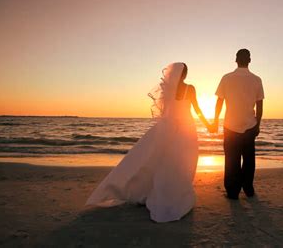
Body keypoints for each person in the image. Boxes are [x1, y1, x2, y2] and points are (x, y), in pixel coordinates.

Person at [86, 62, 211, 223]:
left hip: (168, 127)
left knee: (158, 159)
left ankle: (151, 191)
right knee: (183, 160)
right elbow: (197, 109)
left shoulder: (168, 89)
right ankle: (174, 193)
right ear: (184, 74)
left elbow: (165, 111)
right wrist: (209, 125)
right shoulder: (190, 88)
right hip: (185, 128)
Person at [211, 49, 264, 199]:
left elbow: (219, 102)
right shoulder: (256, 79)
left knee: (231, 160)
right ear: (249, 60)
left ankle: (232, 192)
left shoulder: (227, 78)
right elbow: (259, 106)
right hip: (249, 124)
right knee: (248, 160)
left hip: (230, 125)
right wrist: (258, 124)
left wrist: (215, 120)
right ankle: (248, 189)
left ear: (236, 59)